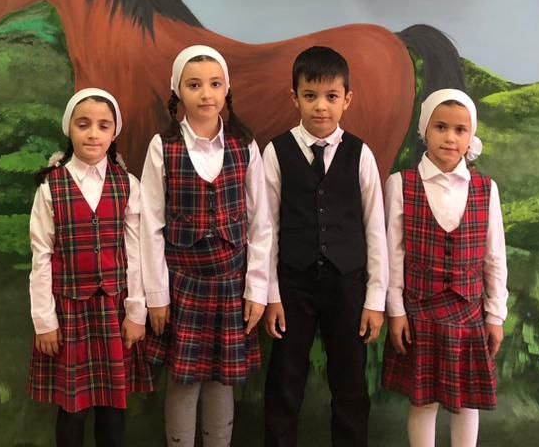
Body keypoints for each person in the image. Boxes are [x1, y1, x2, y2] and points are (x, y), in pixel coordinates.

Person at [142, 45, 272, 447]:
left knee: (221, 380)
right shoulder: (163, 147)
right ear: (177, 91)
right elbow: (150, 226)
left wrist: (257, 289)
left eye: (215, 84)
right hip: (182, 284)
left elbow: (261, 224)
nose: (206, 94)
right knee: (184, 381)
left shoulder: (244, 145)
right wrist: (157, 296)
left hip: (232, 285)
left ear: (226, 89)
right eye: (194, 85)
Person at [262, 46, 388, 446]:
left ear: (347, 100)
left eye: (331, 96)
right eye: (310, 95)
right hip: (293, 286)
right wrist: (270, 294)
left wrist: (375, 299)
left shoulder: (360, 154)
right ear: (295, 97)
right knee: (285, 382)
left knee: (350, 385)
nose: (321, 106)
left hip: (347, 285)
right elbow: (265, 228)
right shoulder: (276, 152)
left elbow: (375, 229)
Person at [381, 89, 508, 447]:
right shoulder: (401, 184)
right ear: (425, 131)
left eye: (459, 130)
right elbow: (393, 255)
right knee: (423, 401)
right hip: (420, 310)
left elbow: (494, 257)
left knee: (467, 402)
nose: (450, 138)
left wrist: (495, 315)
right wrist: (396, 310)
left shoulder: (486, 189)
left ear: (470, 136)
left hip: (468, 312)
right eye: (441, 127)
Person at [28, 88, 152, 446]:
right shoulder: (50, 187)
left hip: (114, 310)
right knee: (72, 408)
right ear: (69, 129)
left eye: (103, 126)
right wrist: (44, 321)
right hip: (68, 312)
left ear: (114, 133)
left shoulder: (128, 185)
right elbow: (41, 256)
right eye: (83, 125)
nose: (93, 134)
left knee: (113, 406)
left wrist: (136, 313)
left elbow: (135, 252)